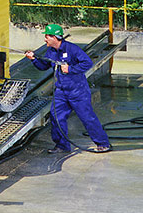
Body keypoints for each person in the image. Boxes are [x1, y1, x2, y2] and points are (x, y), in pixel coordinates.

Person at [24, 23, 111, 154]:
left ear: (55, 37)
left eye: (47, 36)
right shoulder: (51, 51)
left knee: (87, 117)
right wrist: (33, 59)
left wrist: (70, 69)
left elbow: (87, 63)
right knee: (56, 117)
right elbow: (44, 66)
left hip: (78, 91)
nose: (45, 39)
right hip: (61, 91)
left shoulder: (72, 49)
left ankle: (103, 143)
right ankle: (62, 146)